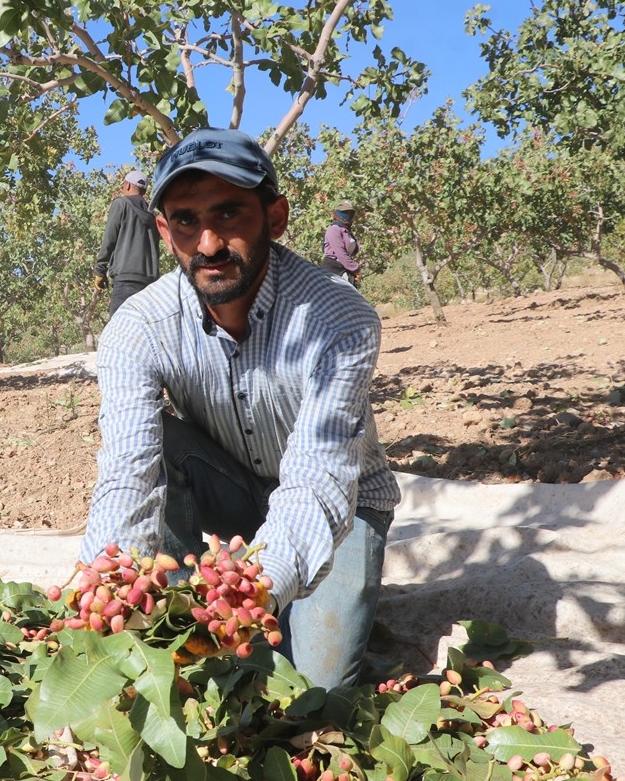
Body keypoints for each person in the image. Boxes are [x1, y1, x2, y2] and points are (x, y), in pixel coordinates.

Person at [80, 128, 400, 690]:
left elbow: (318, 478)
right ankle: (177, 613)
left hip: (339, 507)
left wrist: (258, 587)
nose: (207, 244)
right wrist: (107, 576)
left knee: (311, 687)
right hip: (229, 490)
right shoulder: (138, 328)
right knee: (161, 444)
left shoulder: (338, 320)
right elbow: (128, 471)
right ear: (163, 230)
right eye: (185, 221)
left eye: (229, 215)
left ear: (274, 218)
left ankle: (240, 606)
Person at [94, 169, 161, 316]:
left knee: (118, 333)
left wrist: (100, 270)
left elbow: (109, 239)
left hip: (126, 280)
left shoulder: (121, 204)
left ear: (128, 186)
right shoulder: (154, 216)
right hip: (150, 284)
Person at [321, 200, 362, 287]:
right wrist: (356, 268)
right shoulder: (334, 229)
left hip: (344, 269)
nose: (347, 215)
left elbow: (353, 250)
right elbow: (341, 254)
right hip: (332, 270)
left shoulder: (347, 230)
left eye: (350, 212)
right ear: (337, 214)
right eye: (344, 212)